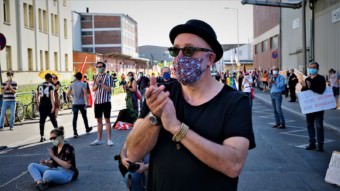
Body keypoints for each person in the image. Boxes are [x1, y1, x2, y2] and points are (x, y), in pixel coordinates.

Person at [125, 19, 255, 191]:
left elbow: (233, 165)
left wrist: (177, 128)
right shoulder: (162, 94)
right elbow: (132, 154)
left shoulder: (235, 102)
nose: (179, 58)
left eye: (188, 51)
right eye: (175, 50)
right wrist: (154, 116)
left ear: (210, 59)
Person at [27, 126, 79, 191]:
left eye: (54, 138)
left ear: (60, 137)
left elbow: (67, 166)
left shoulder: (68, 147)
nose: (52, 140)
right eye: (51, 139)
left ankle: (44, 180)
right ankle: (40, 183)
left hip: (67, 173)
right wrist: (46, 163)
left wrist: (54, 157)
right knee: (32, 166)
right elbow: (53, 164)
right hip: (56, 169)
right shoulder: (54, 148)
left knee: (47, 174)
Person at [301, 62, 326, 151]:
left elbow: (321, 90)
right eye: (310, 67)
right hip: (309, 108)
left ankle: (320, 145)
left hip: (318, 107)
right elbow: (303, 93)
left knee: (319, 126)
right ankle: (312, 143)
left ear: (317, 69)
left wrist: (310, 87)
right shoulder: (307, 79)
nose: (312, 69)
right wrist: (304, 87)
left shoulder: (321, 78)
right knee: (309, 125)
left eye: (314, 67)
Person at [90, 62, 114, 146]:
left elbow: (109, 89)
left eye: (100, 66)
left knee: (107, 120)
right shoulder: (95, 76)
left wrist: (101, 83)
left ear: (104, 67)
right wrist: (96, 83)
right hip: (97, 102)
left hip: (106, 101)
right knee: (99, 121)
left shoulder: (109, 76)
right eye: (97, 67)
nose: (98, 68)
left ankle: (109, 139)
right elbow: (93, 89)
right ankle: (99, 139)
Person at [68, 72, 93, 138]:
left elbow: (68, 93)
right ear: (81, 77)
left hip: (74, 103)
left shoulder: (72, 84)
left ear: (76, 77)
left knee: (75, 118)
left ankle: (75, 132)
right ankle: (87, 128)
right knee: (84, 117)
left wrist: (72, 96)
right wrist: (86, 103)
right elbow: (85, 94)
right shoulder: (83, 84)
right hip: (82, 103)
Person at [37, 74, 58, 142]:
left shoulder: (39, 85)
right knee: (53, 120)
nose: (52, 79)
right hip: (49, 105)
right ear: (49, 78)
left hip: (42, 105)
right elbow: (52, 97)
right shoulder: (51, 86)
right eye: (51, 78)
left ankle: (42, 136)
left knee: (42, 121)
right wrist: (53, 106)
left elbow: (37, 96)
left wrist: (38, 104)